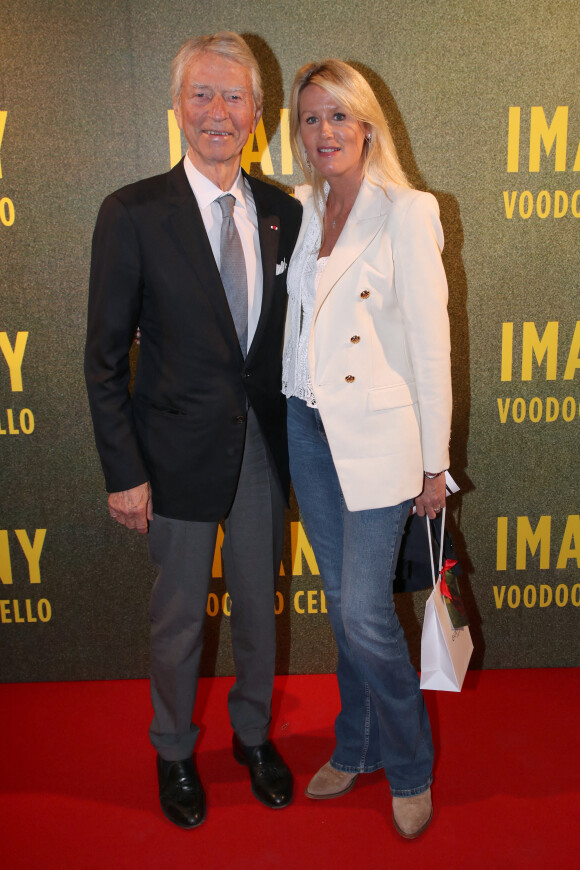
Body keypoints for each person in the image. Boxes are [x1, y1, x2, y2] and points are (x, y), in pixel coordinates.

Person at [84, 31, 302, 829]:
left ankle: (252, 737)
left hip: (261, 459)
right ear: (176, 107)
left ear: (258, 112)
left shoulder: (283, 211)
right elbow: (104, 359)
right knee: (178, 617)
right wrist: (123, 471)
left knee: (258, 607)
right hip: (169, 458)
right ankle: (173, 750)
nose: (217, 112)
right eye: (201, 95)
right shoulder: (132, 212)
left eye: (233, 97)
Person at [282, 59, 452, 839]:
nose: (325, 132)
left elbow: (430, 343)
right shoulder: (300, 209)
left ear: (368, 124)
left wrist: (435, 464)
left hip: (382, 438)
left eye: (339, 116)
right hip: (307, 429)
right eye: (311, 118)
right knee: (343, 609)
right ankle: (355, 746)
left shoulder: (407, 210)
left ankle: (409, 765)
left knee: (361, 611)